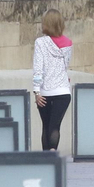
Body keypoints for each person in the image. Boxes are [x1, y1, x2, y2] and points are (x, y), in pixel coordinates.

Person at [30, 9, 73, 152]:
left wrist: (36, 91)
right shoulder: (68, 43)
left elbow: (38, 69)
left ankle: (46, 159)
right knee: (55, 126)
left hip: (45, 92)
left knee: (46, 126)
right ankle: (53, 151)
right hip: (63, 91)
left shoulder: (40, 43)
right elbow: (65, 66)